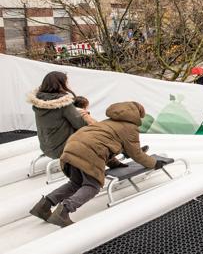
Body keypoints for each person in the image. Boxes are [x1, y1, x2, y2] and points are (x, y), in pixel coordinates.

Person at [29, 101, 163, 227]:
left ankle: (43, 206)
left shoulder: (108, 122)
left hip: (71, 147)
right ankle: (64, 211)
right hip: (88, 152)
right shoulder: (130, 128)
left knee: (76, 183)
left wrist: (114, 164)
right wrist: (154, 163)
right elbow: (137, 154)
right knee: (92, 185)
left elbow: (103, 145)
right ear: (136, 114)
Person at [27, 72, 93, 159]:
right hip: (63, 149)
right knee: (94, 131)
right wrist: (85, 114)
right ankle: (110, 162)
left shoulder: (38, 102)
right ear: (60, 84)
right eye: (66, 82)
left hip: (46, 148)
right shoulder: (63, 103)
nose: (67, 85)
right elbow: (81, 125)